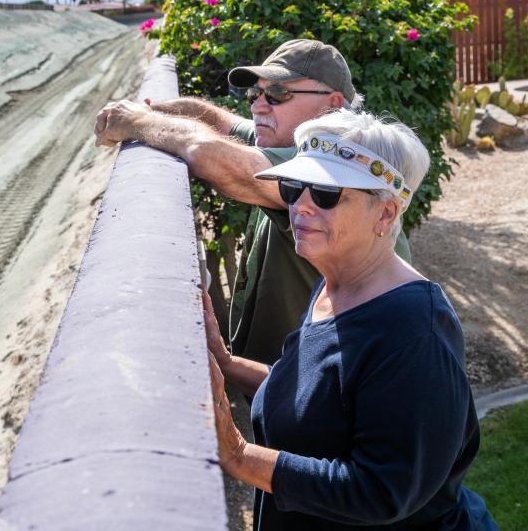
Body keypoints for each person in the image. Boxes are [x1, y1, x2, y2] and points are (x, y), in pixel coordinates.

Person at [203, 108, 498, 530]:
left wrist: (237, 454)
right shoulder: (334, 285)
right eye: (293, 186)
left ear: (386, 214)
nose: (300, 206)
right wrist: (227, 363)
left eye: (326, 193)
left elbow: (380, 490)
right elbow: (319, 402)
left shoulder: (415, 333)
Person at [94, 39, 411, 366]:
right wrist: (153, 110)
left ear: (331, 105)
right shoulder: (291, 138)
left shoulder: (328, 167)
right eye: (254, 94)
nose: (258, 106)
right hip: (286, 379)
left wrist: (137, 122)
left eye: (277, 95)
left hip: (322, 394)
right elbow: (217, 120)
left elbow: (214, 156)